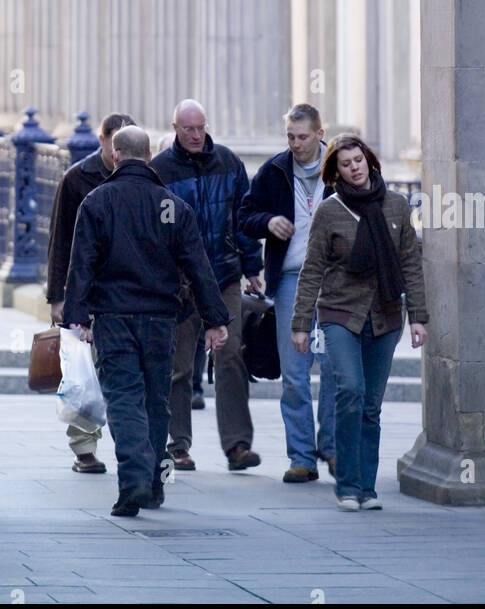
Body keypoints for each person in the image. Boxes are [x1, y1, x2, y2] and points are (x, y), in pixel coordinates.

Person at [63, 125, 230, 517]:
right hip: (160, 319)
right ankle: (154, 484)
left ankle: (134, 480)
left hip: (114, 316)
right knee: (157, 401)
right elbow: (198, 266)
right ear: (151, 156)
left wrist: (76, 316)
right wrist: (215, 319)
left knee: (123, 398)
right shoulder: (172, 206)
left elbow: (81, 264)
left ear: (116, 155)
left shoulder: (98, 200)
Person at [291, 135, 429, 510]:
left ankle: (366, 489)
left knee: (371, 405)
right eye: (346, 162)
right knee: (349, 389)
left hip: (385, 316)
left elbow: (411, 266)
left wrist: (418, 317)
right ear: (335, 172)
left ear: (369, 161)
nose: (355, 167)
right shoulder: (330, 211)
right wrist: (301, 322)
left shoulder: (397, 206)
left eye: (359, 159)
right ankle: (346, 485)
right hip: (340, 314)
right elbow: (312, 269)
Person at [152, 99, 263, 472]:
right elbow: (155, 231)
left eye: (201, 128)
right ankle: (178, 445)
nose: (197, 135)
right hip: (180, 284)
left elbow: (242, 218)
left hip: (224, 275)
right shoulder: (161, 170)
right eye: (189, 129)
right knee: (180, 366)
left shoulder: (229, 163)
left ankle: (237, 446)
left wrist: (253, 266)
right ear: (175, 129)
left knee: (231, 356)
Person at [239, 103, 337, 482]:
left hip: (334, 282)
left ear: (319, 133)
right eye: (290, 137)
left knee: (333, 368)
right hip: (292, 282)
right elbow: (245, 216)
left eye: (303, 137)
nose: (296, 145)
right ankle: (301, 458)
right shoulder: (275, 170)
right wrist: (268, 222)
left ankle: (331, 448)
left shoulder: (340, 166)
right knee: (295, 373)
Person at [46, 111, 135, 473]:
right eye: (115, 146)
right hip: (84, 290)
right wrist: (57, 296)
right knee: (82, 373)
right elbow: (60, 240)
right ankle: (84, 448)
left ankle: (131, 444)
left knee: (119, 371)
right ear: (102, 142)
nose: (119, 155)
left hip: (124, 291)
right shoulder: (76, 179)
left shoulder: (143, 177)